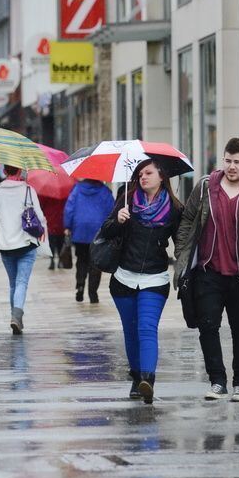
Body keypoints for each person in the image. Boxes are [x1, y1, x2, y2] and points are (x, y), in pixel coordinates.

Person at [175, 137, 239, 403]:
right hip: (208, 272)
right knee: (208, 327)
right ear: (223, 160)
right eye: (228, 160)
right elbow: (187, 220)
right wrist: (182, 254)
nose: (231, 166)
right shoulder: (205, 188)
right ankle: (217, 381)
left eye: (237, 162)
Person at [98, 160, 183, 404]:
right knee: (131, 331)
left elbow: (182, 242)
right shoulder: (126, 198)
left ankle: (148, 379)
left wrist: (187, 269)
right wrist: (118, 220)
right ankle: (137, 377)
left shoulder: (175, 208)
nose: (143, 177)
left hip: (155, 279)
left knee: (147, 328)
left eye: (148, 173)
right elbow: (105, 231)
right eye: (140, 174)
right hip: (124, 278)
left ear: (161, 176)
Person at [0, 166, 47, 335]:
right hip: (26, 243)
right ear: (20, 171)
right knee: (21, 283)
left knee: (13, 284)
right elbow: (40, 216)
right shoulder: (29, 190)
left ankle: (15, 317)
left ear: (5, 172)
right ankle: (16, 316)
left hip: (6, 246)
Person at [63, 179, 116, 303]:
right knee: (95, 263)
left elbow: (69, 209)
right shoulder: (105, 191)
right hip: (98, 232)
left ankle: (80, 285)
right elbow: (112, 211)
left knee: (81, 260)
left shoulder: (77, 189)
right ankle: (93, 293)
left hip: (80, 230)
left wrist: (67, 226)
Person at [40, 196, 67, 271]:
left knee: (52, 242)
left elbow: (42, 206)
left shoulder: (46, 194)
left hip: (50, 220)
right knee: (60, 242)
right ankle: (59, 260)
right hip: (61, 220)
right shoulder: (64, 194)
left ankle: (52, 261)